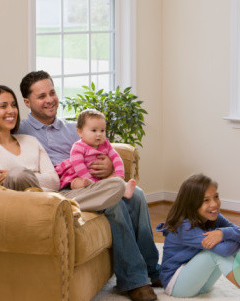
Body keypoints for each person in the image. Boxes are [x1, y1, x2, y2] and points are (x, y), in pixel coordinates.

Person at [18, 71, 160, 301]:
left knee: (139, 196)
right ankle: (134, 280)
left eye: (52, 92)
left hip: (93, 183)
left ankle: (152, 270)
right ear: (27, 102)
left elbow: (101, 148)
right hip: (64, 189)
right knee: (114, 203)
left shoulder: (72, 127)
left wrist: (110, 170)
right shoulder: (22, 131)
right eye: (41, 96)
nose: (50, 99)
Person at [157, 173, 240, 299]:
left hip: (202, 284)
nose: (214, 204)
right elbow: (224, 250)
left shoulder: (213, 215)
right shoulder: (184, 227)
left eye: (216, 197)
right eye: (206, 200)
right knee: (216, 253)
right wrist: (234, 237)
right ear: (191, 204)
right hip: (176, 286)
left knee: (237, 250)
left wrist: (224, 233)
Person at [0, 85, 60, 192]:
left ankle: (67, 204)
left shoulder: (30, 140)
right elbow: (0, 180)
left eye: (14, 105)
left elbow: (54, 182)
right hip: (29, 200)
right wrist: (28, 175)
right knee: (17, 174)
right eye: (3, 106)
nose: (11, 111)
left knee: (88, 189)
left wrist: (22, 175)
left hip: (57, 196)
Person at [55, 108, 137, 198]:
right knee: (75, 183)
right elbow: (78, 165)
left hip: (101, 178)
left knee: (114, 180)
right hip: (81, 176)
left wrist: (119, 174)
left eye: (102, 130)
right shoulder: (78, 147)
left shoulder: (105, 144)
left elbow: (116, 158)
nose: (99, 134)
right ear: (80, 132)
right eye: (94, 130)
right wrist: (89, 179)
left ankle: (124, 190)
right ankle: (90, 186)